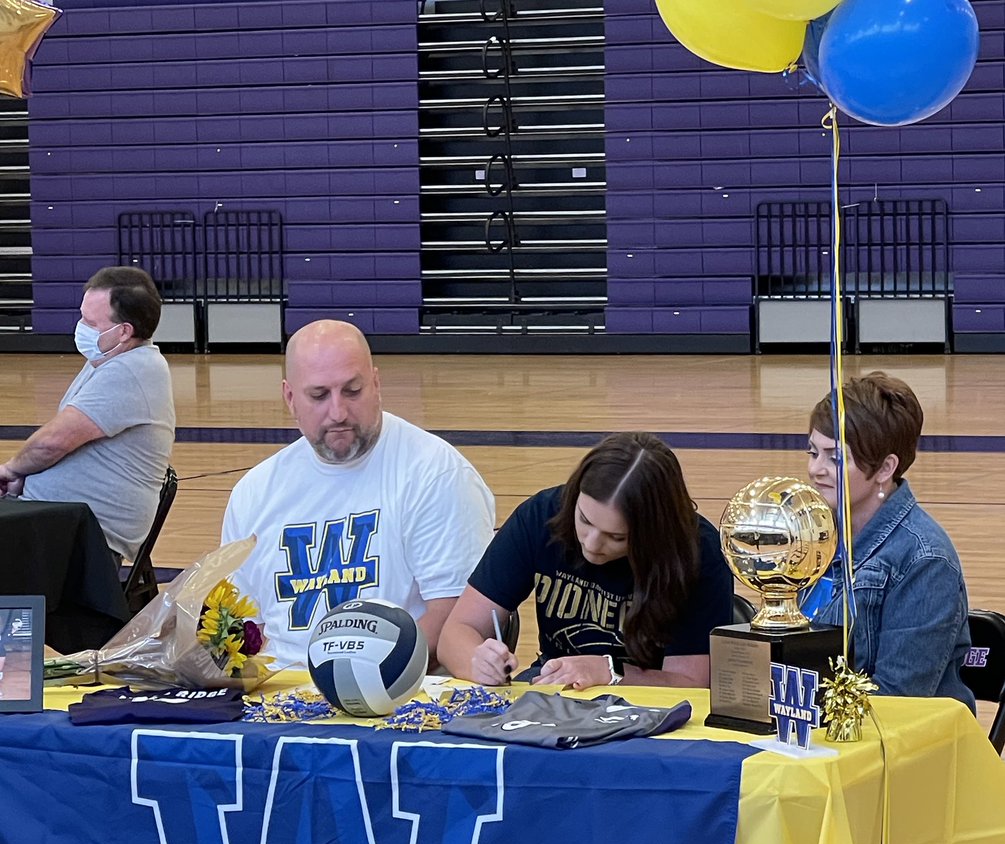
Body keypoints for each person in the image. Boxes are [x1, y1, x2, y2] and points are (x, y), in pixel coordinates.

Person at [222, 320, 496, 669]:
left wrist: (363, 680)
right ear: (290, 398)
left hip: (395, 695)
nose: (338, 413)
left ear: (377, 384)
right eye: (319, 396)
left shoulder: (435, 473)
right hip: (279, 694)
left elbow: (456, 616)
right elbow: (246, 627)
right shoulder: (253, 493)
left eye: (352, 391)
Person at [437, 432, 735, 689]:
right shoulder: (542, 515)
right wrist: (476, 661)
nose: (591, 544)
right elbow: (455, 633)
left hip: (650, 710)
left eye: (616, 537)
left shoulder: (697, 552)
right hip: (555, 691)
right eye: (584, 520)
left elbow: (692, 684)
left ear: (654, 533)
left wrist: (610, 673)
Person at [803, 371, 974, 709]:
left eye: (835, 458)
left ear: (884, 468)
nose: (816, 469)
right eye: (812, 452)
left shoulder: (925, 560)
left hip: (899, 745)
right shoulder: (811, 533)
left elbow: (898, 698)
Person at [0, 266, 175, 562]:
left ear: (123, 331)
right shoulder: (106, 359)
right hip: (56, 518)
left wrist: (12, 470)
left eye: (89, 321)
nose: (80, 326)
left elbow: (52, 442)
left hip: (82, 536)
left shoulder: (131, 370)